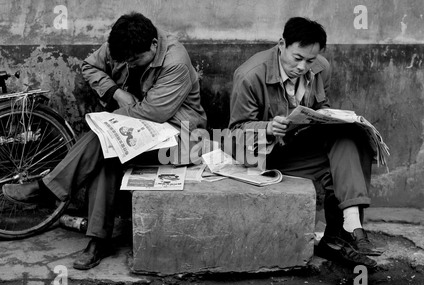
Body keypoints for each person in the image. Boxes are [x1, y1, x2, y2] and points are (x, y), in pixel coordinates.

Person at [2, 12, 207, 270]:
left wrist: (110, 121)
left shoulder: (175, 61)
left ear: (154, 45)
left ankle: (49, 192)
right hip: (136, 130)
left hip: (177, 137)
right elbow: (89, 66)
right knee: (109, 152)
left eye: (135, 60)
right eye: (125, 61)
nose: (130, 65)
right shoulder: (119, 45)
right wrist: (116, 92)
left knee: (104, 141)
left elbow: (154, 113)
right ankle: (98, 240)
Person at [228, 17, 384, 268]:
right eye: (297, 58)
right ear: (282, 44)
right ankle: (346, 232)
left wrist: (326, 117)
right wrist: (267, 127)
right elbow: (235, 132)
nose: (302, 67)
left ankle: (342, 234)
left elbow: (322, 107)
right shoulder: (250, 76)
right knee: (342, 159)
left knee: (352, 140)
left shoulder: (320, 68)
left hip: (302, 149)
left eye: (310, 60)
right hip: (269, 156)